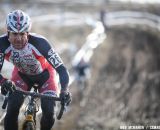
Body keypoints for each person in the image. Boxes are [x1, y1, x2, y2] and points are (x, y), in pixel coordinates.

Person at [0, 10, 71, 130]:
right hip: (22, 76)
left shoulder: (40, 43)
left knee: (49, 112)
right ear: (8, 33)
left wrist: (64, 90)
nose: (18, 39)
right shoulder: (2, 44)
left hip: (45, 76)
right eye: (14, 34)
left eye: (22, 34)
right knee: (11, 110)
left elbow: (62, 69)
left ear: (28, 33)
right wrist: (3, 82)